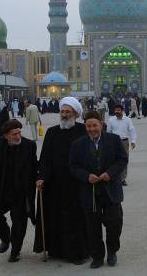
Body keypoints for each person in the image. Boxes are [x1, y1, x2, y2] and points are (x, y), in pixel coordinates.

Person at [69, 110, 128, 269]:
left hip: (110, 190)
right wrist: (86, 176)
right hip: (90, 192)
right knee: (92, 226)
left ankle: (112, 251)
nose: (92, 129)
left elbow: (122, 159)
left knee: (115, 223)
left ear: (101, 125)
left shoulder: (114, 140)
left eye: (94, 125)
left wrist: (110, 173)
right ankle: (97, 255)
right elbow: (73, 166)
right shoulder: (78, 144)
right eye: (88, 126)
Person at [34, 96, 89, 264]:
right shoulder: (52, 132)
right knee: (55, 217)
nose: (64, 115)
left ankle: (77, 253)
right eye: (62, 111)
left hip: (76, 184)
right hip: (55, 185)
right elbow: (44, 158)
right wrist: (41, 177)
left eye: (68, 112)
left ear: (75, 113)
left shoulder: (83, 131)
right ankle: (56, 250)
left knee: (75, 219)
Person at [0, 120, 37, 263]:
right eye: (14, 134)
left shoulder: (29, 145)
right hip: (1, 191)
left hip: (20, 192)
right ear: (5, 136)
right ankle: (6, 238)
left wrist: (38, 179)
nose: (18, 137)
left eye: (19, 133)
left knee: (19, 222)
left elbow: (34, 165)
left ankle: (15, 251)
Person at [106, 105, 137, 186]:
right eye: (115, 110)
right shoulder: (111, 120)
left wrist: (133, 141)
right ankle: (114, 177)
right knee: (113, 160)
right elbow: (108, 132)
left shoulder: (127, 120)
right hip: (113, 142)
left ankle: (123, 179)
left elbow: (132, 130)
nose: (117, 112)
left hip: (124, 142)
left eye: (118, 110)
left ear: (122, 111)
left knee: (124, 160)